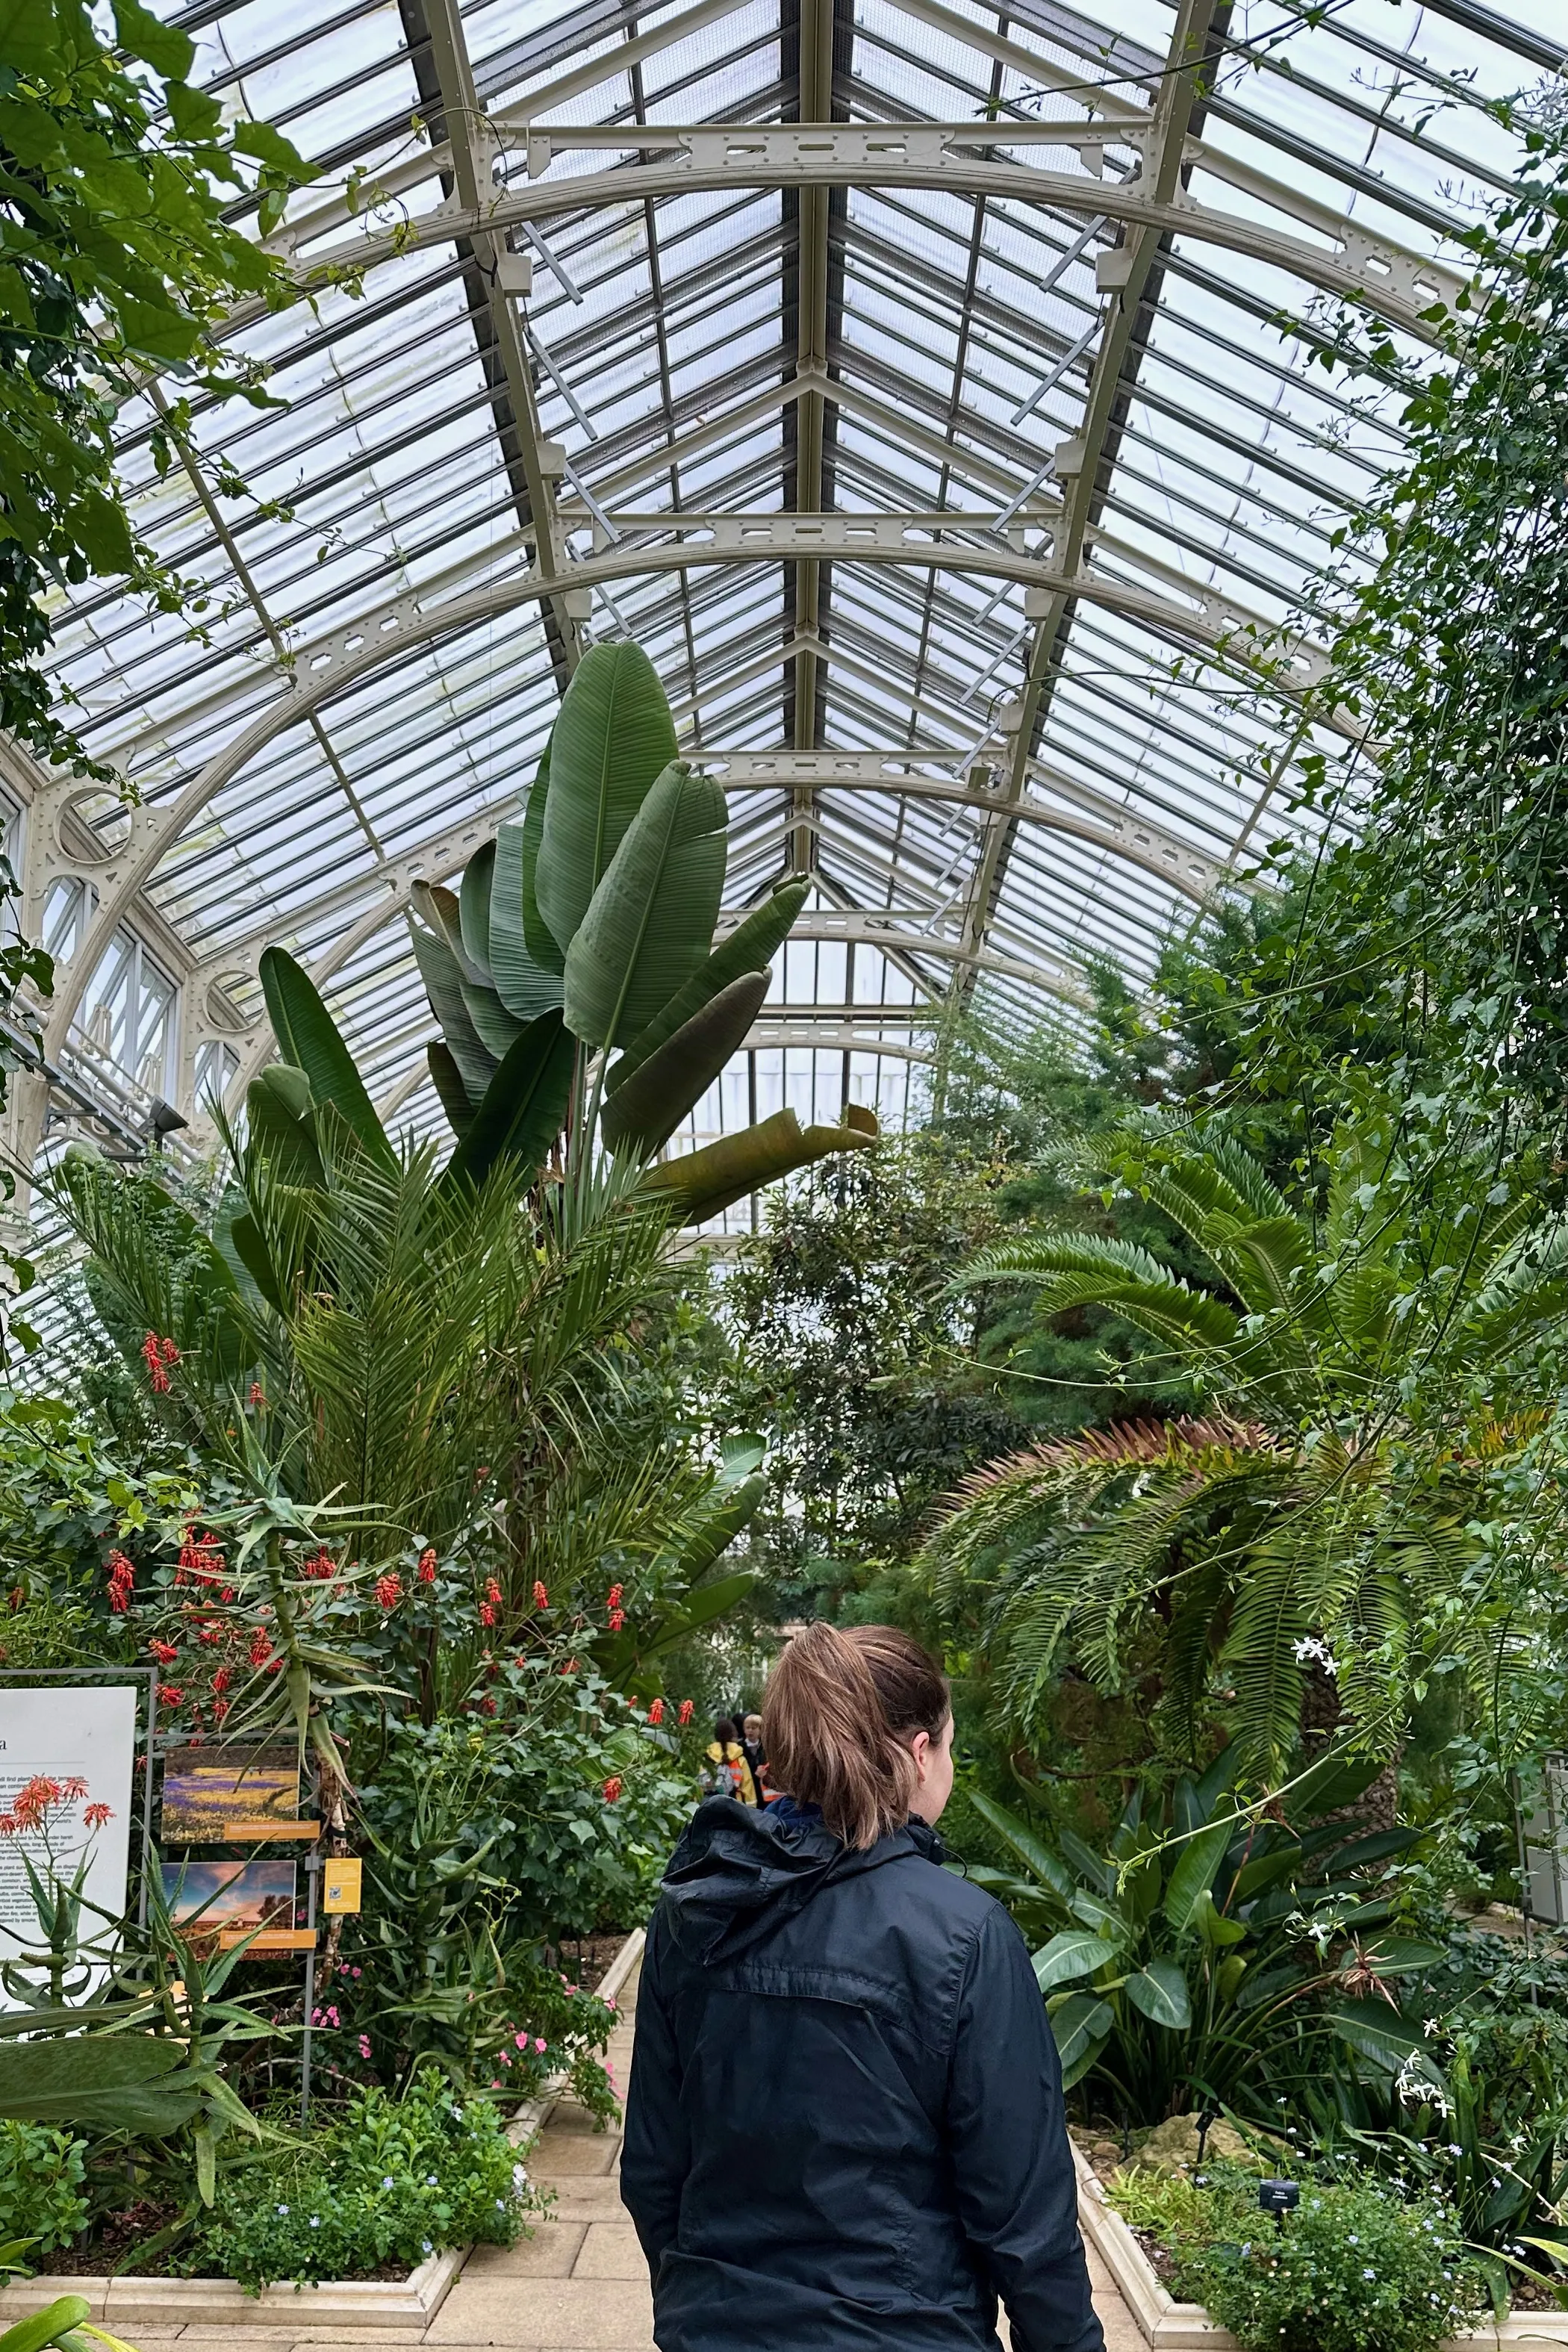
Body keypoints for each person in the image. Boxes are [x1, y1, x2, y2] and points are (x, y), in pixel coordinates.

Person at [623, 1622, 1104, 2352]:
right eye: (949, 1747)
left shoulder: (696, 1911)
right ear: (919, 1753)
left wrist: (704, 2305)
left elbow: (655, 2169)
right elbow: (1027, 2224)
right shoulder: (965, 1935)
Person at [701, 1716, 758, 1806]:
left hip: (710, 1805)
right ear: (733, 1735)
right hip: (735, 1805)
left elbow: (701, 1784)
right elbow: (748, 1787)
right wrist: (752, 1809)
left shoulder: (708, 1757)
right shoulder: (739, 1758)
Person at [739, 1710, 773, 1803]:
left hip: (763, 1790)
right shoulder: (739, 1747)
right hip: (746, 1787)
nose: (750, 1730)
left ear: (761, 1730)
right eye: (748, 1728)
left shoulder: (766, 1746)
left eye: (754, 1728)